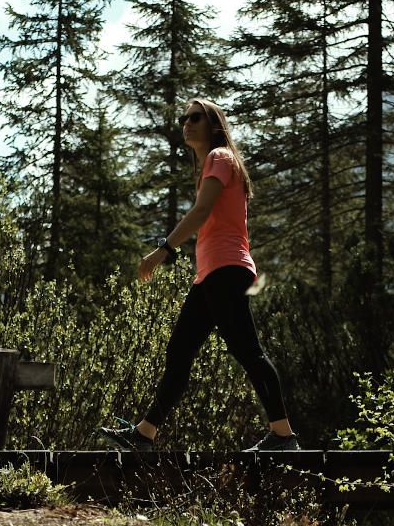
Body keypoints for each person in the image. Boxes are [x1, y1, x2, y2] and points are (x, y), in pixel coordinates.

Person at [99, 98, 299, 452]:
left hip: (227, 269)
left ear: (214, 124)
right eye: (183, 118)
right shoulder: (215, 163)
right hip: (210, 275)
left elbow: (202, 210)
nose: (186, 123)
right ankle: (145, 435)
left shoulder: (220, 158)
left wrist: (164, 249)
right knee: (179, 351)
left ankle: (283, 437)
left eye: (195, 117)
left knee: (247, 350)